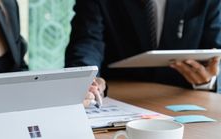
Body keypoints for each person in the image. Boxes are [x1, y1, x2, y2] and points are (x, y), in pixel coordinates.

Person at [65, 0, 221, 95]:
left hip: (184, 97)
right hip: (118, 97)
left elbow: (216, 50)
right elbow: (88, 42)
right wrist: (85, 78)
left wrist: (209, 81)